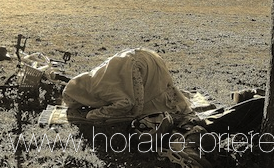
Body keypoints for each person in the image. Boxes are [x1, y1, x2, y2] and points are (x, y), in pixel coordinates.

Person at [62, 48, 193, 120]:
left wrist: (95, 114)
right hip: (145, 56)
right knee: (157, 88)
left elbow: (125, 103)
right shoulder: (93, 77)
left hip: (137, 66)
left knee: (138, 109)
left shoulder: (98, 89)